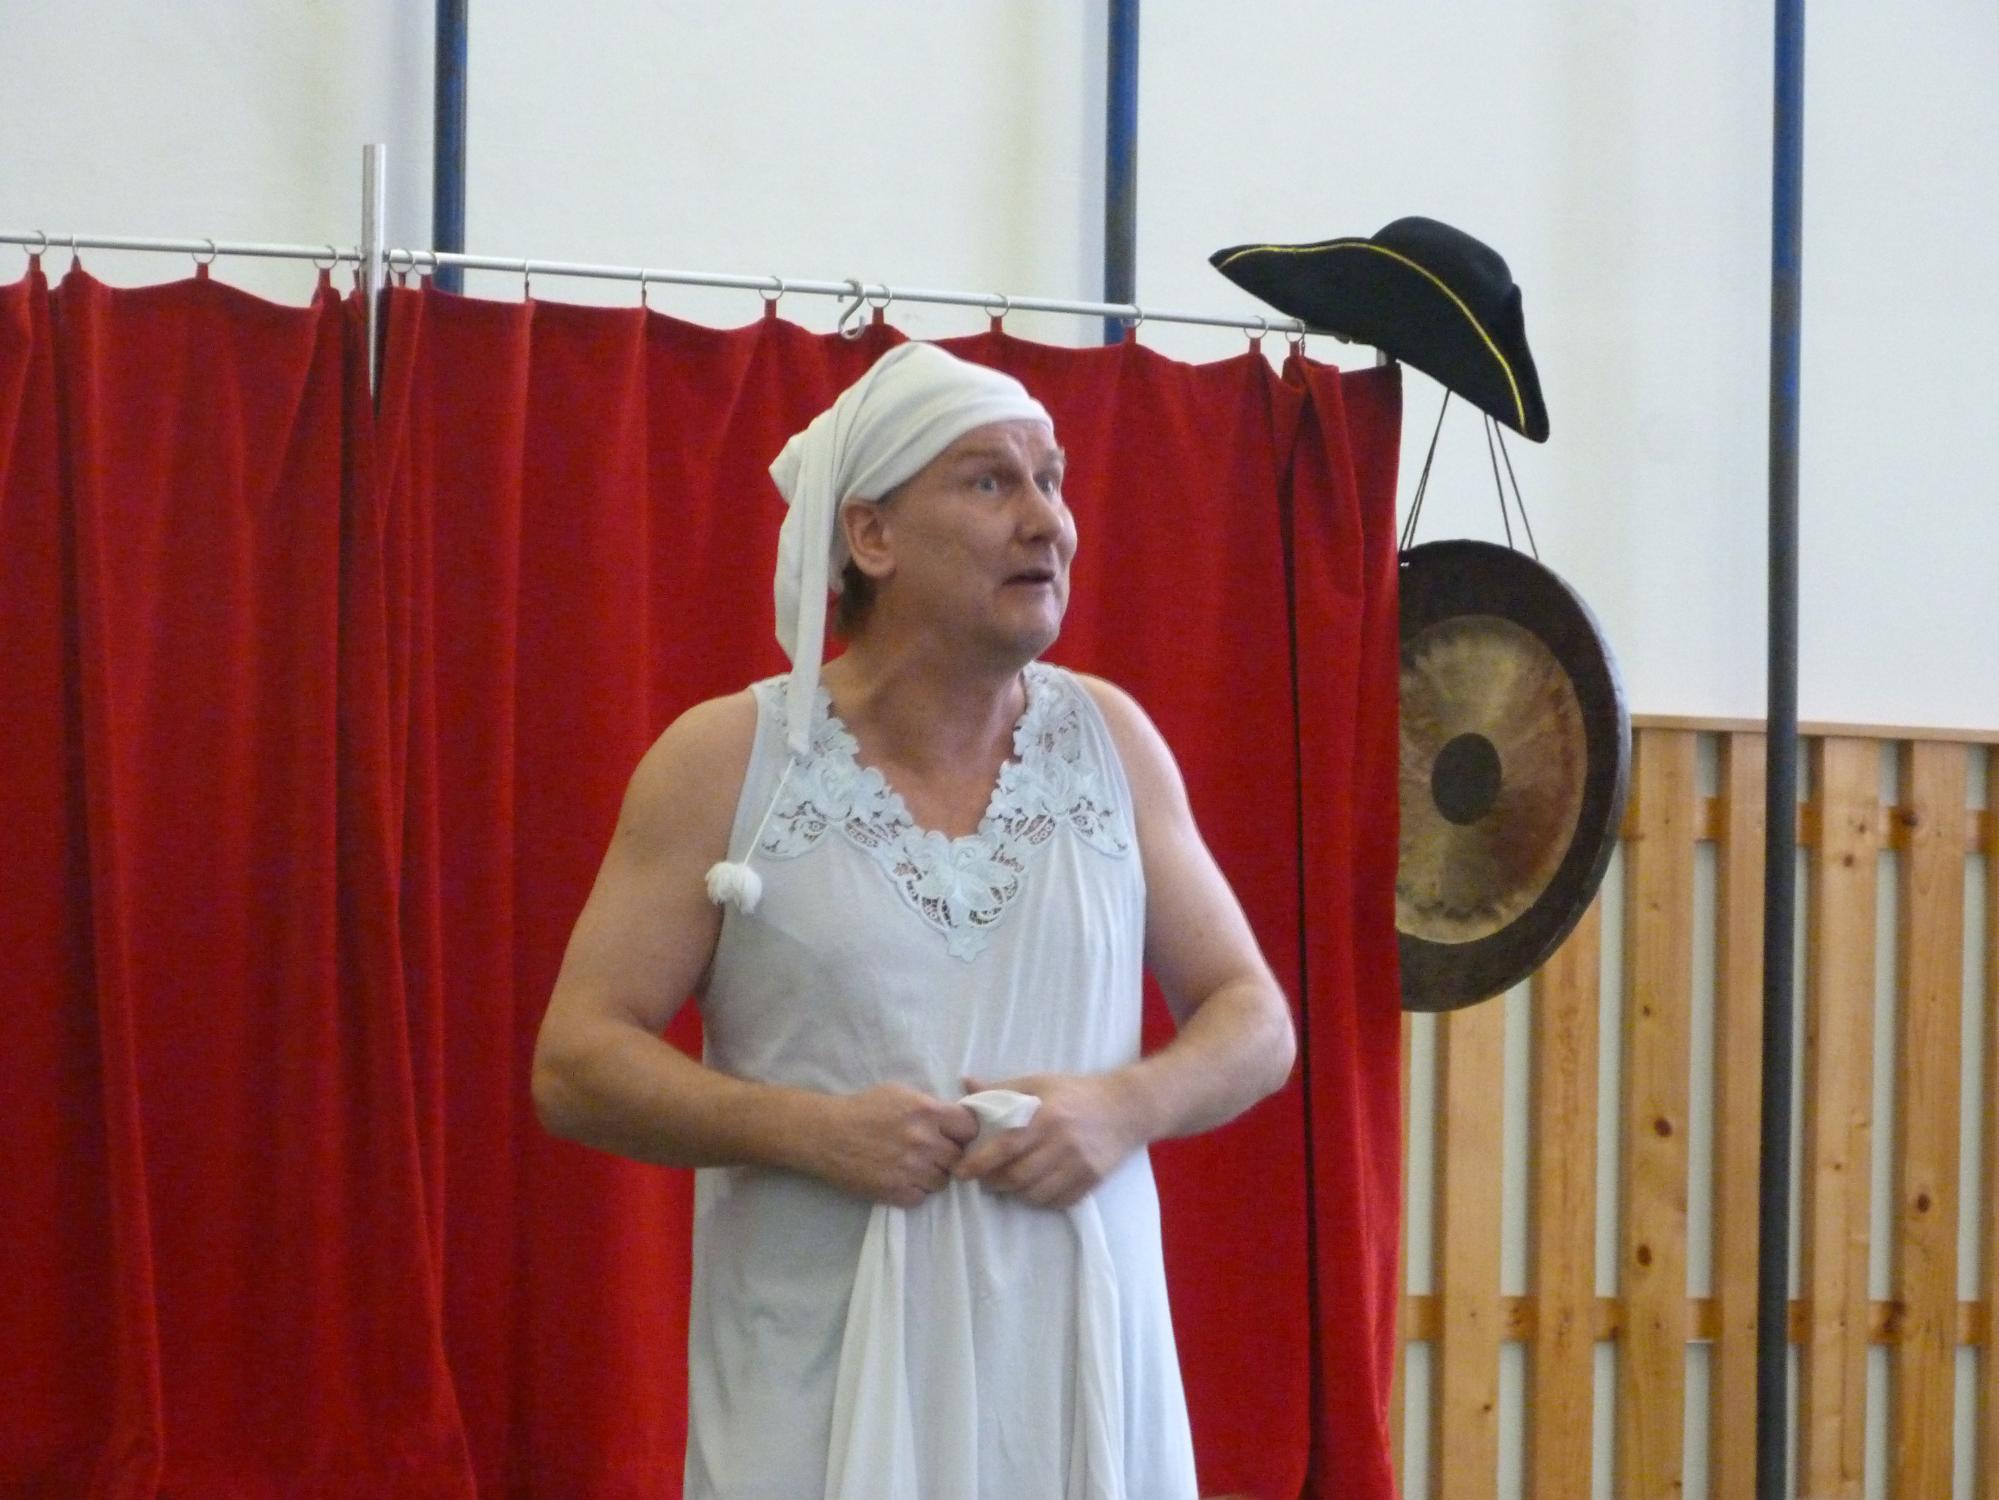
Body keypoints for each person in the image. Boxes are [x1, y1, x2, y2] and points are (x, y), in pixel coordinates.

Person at [531, 342, 1296, 1500]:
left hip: (1072, 1380)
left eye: (1050, 479)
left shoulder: (1112, 742)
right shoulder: (726, 762)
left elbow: (1254, 1020)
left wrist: (1122, 1107)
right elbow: (576, 1063)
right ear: (870, 536)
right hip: (814, 1387)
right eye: (991, 482)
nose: (1047, 521)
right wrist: (809, 1132)